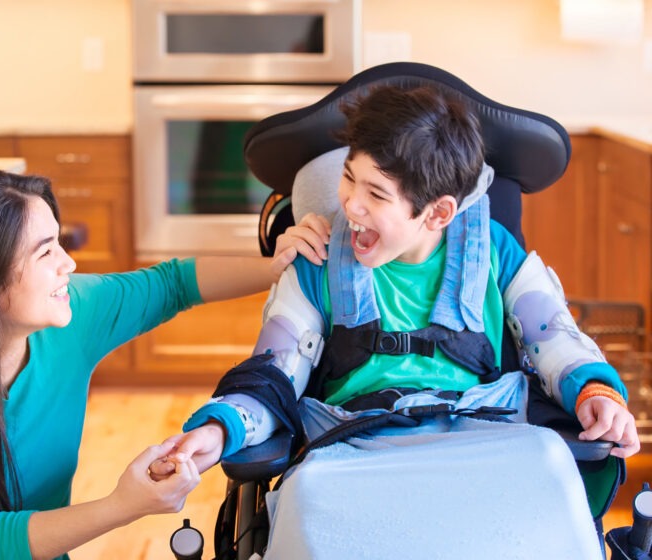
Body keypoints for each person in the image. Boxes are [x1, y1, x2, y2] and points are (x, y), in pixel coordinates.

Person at [151, 85, 640, 556]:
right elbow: (272, 373)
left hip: (489, 446)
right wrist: (219, 429)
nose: (350, 204)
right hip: (353, 453)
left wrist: (596, 392)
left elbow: (555, 339)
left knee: (552, 474)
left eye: (377, 194)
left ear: (438, 212)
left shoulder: (493, 252)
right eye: (348, 177)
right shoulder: (318, 259)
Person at [0, 167, 302, 560]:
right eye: (46, 252)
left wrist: (282, 269)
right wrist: (123, 506)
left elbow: (174, 283)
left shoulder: (72, 315)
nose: (69, 263)